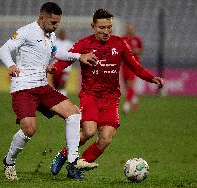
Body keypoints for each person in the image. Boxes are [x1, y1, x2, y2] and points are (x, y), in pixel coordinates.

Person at [48, 9, 164, 177]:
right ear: (93, 26)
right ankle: (64, 154)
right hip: (90, 95)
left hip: (111, 97)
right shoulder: (84, 44)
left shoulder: (119, 43)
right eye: (102, 28)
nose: (106, 31)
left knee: (106, 138)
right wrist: (53, 69)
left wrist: (151, 78)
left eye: (109, 27)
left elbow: (134, 65)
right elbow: (66, 60)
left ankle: (76, 166)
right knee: (89, 131)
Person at [0, 2, 98, 181]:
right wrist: (11, 65)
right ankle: (9, 161)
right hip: (24, 87)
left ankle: (72, 161)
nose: (55, 26)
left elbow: (56, 52)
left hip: (42, 86)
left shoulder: (50, 35)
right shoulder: (26, 31)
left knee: (74, 114)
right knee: (29, 129)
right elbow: (4, 49)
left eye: (57, 23)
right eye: (53, 22)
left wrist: (79, 57)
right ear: (42, 17)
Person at [121, 23, 143, 113]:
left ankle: (126, 106)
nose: (130, 30)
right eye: (128, 28)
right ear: (126, 29)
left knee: (130, 84)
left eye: (131, 28)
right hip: (124, 65)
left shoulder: (137, 39)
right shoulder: (122, 39)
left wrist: (136, 50)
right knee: (126, 86)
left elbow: (141, 50)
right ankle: (135, 100)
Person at [51, 29, 73, 96]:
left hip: (66, 68)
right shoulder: (55, 43)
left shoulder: (69, 43)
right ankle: (57, 100)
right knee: (56, 85)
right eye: (61, 34)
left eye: (63, 34)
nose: (62, 35)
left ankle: (63, 98)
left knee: (62, 84)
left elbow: (73, 55)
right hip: (56, 67)